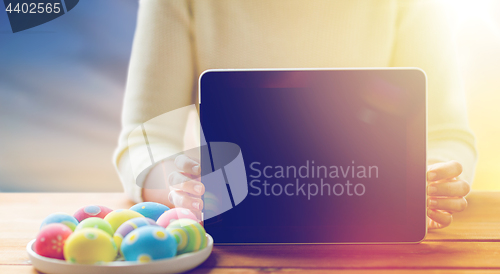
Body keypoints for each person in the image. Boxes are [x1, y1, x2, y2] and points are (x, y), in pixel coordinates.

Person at [114, 0, 476, 229]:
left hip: (372, 243)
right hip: (232, 250)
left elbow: (446, 135)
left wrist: (433, 177)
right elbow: (143, 139)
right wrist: (177, 183)